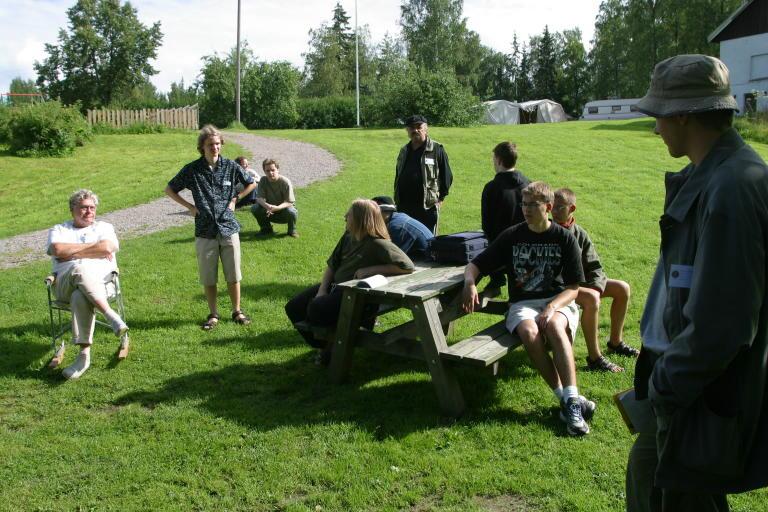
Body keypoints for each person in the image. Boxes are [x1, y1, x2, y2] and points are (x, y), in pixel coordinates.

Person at [626, 54, 768, 511]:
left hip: (697, 393)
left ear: (684, 115)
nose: (655, 128)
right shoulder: (713, 176)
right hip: (685, 384)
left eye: (659, 115)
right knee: (650, 475)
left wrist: (667, 385)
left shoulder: (732, 188)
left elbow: (723, 325)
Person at [461, 181, 594, 436]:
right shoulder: (512, 236)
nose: (526, 209)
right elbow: (476, 264)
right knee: (529, 332)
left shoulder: (564, 238)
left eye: (533, 204)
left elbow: (574, 288)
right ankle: (569, 402)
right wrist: (470, 283)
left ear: (548, 207)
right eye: (524, 204)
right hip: (522, 304)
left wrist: (552, 307)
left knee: (555, 325)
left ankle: (571, 399)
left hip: (557, 300)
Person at [285, 199, 415, 362]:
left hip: (354, 294)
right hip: (334, 286)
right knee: (293, 308)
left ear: (361, 219)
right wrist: (322, 291)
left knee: (315, 309)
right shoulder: (348, 237)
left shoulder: (378, 243)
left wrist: (371, 270)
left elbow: (407, 266)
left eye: (350, 214)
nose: (345, 216)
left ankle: (333, 345)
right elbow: (332, 266)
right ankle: (325, 345)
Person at [164, 125, 257, 331]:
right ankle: (213, 314)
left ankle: (237, 311)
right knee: (209, 276)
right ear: (202, 147)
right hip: (205, 230)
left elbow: (251, 183)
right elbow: (169, 189)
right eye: (210, 145)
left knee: (233, 274)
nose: (215, 148)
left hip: (228, 227)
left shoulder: (231, 167)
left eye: (217, 144)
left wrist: (235, 199)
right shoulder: (192, 169)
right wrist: (190, 207)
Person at [552, 187, 638, 373]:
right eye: (552, 206)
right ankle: (595, 358)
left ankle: (615, 342)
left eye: (559, 207)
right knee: (591, 298)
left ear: (572, 209)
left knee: (622, 288)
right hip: (561, 288)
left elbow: (595, 266)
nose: (554, 211)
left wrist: (597, 288)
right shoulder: (548, 232)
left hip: (581, 285)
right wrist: (591, 293)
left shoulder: (579, 233)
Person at [46, 189, 129, 379]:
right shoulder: (59, 229)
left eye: (92, 207)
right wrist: (93, 249)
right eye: (83, 208)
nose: (89, 211)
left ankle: (83, 356)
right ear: (72, 209)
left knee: (80, 295)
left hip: (103, 284)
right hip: (64, 285)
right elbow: (57, 249)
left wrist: (70, 253)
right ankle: (110, 315)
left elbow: (107, 247)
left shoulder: (104, 227)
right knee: (80, 268)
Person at [481, 141, 531, 294]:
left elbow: (487, 226)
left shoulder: (491, 188)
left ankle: (496, 280)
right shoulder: (529, 185)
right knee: (520, 297)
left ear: (498, 160)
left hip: (501, 250)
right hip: (528, 249)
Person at [393, 115, 453, 234]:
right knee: (405, 237)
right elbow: (398, 175)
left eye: (419, 127)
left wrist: (440, 198)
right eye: (411, 128)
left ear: (426, 129)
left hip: (427, 206)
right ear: (407, 130)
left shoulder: (437, 149)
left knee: (428, 238)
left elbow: (447, 176)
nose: (415, 130)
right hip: (404, 205)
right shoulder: (404, 150)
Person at [371, 195, 434, 259]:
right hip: (423, 257)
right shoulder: (397, 218)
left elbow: (393, 257)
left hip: (427, 261)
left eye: (372, 214)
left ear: (379, 212)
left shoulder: (397, 227)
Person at [250, 158, 298, 238]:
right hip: (269, 210)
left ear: (278, 170)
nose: (270, 173)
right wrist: (268, 206)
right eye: (267, 171)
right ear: (264, 171)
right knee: (255, 208)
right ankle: (266, 229)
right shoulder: (263, 180)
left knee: (292, 212)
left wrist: (277, 208)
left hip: (283, 210)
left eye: (273, 170)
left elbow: (290, 202)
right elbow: (259, 198)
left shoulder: (285, 182)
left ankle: (292, 231)